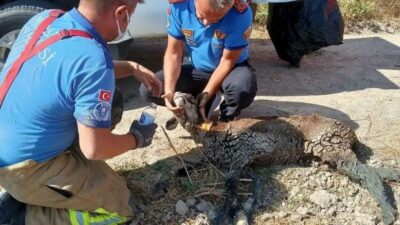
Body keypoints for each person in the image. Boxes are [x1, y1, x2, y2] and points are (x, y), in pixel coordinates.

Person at [0, 0, 162, 224]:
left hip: (11, 142)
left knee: (110, 100)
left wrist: (132, 67)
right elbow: (95, 149)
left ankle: (47, 186)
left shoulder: (48, 19)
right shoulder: (92, 59)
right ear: (122, 13)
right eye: (130, 16)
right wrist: (136, 138)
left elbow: (76, 71)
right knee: (120, 208)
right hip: (23, 168)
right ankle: (21, 216)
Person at [140, 0, 257, 122]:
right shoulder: (180, 6)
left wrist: (206, 95)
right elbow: (173, 53)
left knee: (242, 89)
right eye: (201, 15)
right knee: (150, 89)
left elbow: (227, 61)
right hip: (199, 69)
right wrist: (169, 90)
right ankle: (196, 101)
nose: (206, 23)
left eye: (216, 20)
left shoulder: (240, 14)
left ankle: (225, 119)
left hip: (231, 69)